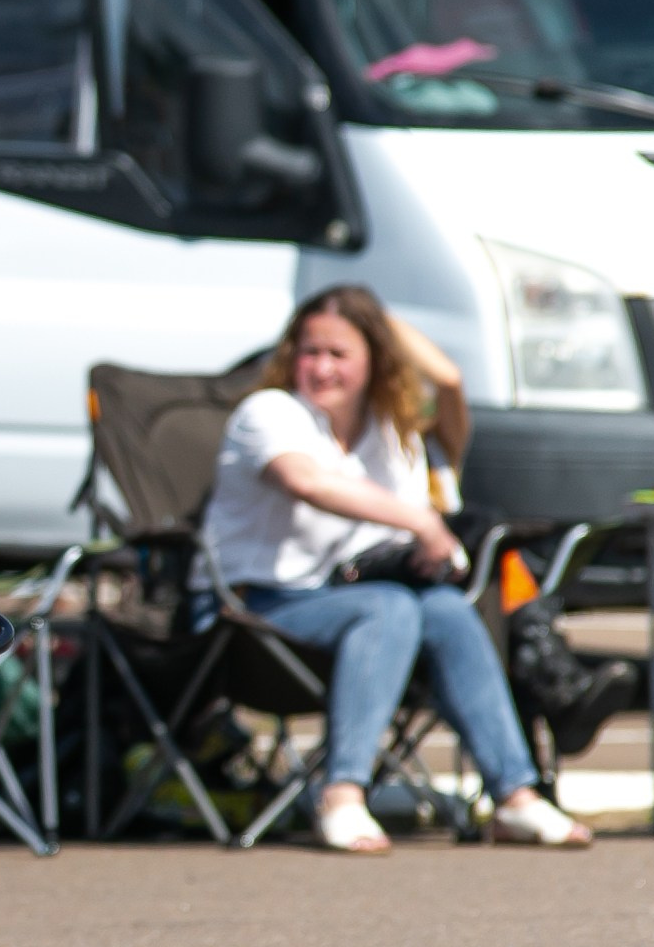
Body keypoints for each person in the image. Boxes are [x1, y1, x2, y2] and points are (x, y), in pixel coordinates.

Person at [198, 284, 589, 854]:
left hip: (346, 602)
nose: (321, 367)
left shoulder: (389, 431)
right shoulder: (270, 412)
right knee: (390, 607)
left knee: (448, 610)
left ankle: (515, 797)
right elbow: (306, 483)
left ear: (376, 360)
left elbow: (449, 382)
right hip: (254, 609)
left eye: (340, 353)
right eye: (311, 351)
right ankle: (343, 794)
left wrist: (377, 315)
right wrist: (423, 523)